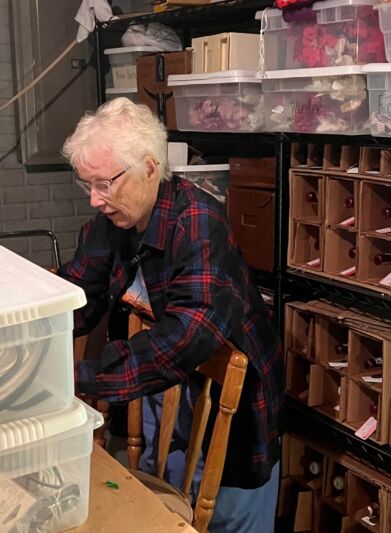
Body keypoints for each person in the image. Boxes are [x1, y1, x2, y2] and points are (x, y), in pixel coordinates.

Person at [59, 97, 285, 533]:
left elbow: (184, 338)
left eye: (104, 183)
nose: (94, 199)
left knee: (231, 518)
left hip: (235, 408)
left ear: (148, 168)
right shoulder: (114, 222)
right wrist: (31, 338)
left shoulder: (199, 223)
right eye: (86, 184)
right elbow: (78, 293)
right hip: (179, 390)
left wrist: (76, 377)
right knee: (169, 495)